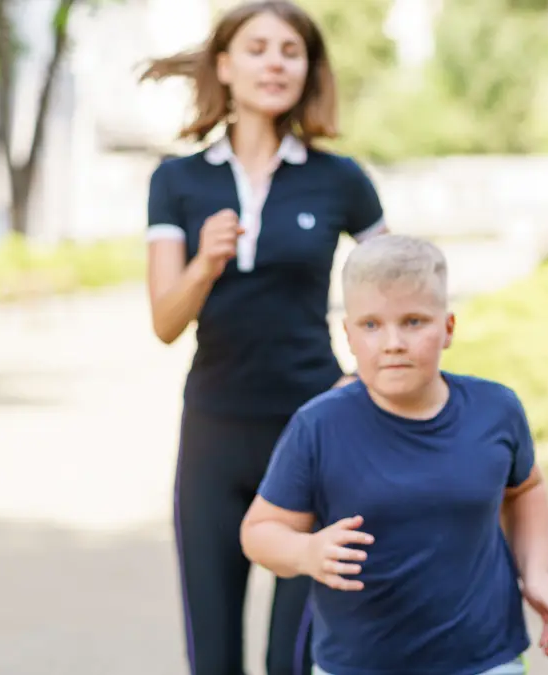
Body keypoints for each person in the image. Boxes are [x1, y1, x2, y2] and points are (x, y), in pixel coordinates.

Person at [139, 2, 388, 673]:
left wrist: (364, 374)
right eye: (257, 48)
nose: (274, 62)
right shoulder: (177, 180)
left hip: (311, 432)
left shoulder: (341, 179)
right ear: (224, 64)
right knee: (213, 652)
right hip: (214, 433)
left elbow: (397, 287)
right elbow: (165, 322)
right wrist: (204, 263)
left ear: (308, 70)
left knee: (295, 657)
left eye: (290, 50)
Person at [240, 234, 548, 675]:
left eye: (413, 322)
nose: (392, 342)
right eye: (371, 325)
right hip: (357, 666)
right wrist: (306, 551)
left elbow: (525, 487)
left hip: (486, 660)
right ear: (348, 335)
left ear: (448, 327)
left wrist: (536, 573)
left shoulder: (497, 410)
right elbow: (259, 531)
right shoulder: (318, 426)